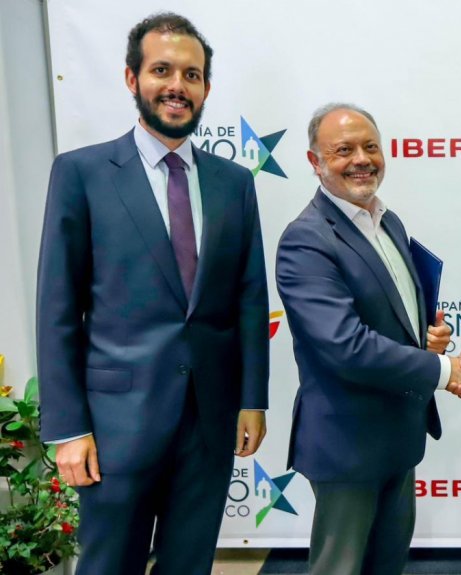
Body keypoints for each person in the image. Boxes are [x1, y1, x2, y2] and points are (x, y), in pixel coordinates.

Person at [36, 12, 269, 575]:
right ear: (131, 78)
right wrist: (68, 428)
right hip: (116, 425)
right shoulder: (82, 173)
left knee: (189, 565)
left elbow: (249, 300)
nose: (177, 86)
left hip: (209, 421)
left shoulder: (234, 183)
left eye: (192, 75)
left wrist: (252, 400)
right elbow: (57, 310)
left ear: (206, 88)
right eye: (162, 70)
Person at [276, 103, 461, 575]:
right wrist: (444, 370)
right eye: (343, 150)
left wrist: (426, 340)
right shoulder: (306, 240)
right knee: (340, 568)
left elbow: (391, 319)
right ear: (315, 162)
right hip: (346, 444)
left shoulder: (389, 221)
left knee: (387, 565)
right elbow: (345, 346)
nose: (361, 159)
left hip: (398, 435)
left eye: (370, 147)